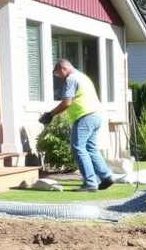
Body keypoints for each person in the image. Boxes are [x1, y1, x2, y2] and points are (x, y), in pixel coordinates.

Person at [43, 59, 114, 192]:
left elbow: (67, 103)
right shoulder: (83, 77)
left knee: (78, 148)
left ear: (63, 68)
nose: (58, 77)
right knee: (91, 148)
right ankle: (106, 177)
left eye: (58, 73)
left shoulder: (71, 79)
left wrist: (50, 115)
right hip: (96, 116)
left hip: (84, 117)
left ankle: (90, 183)